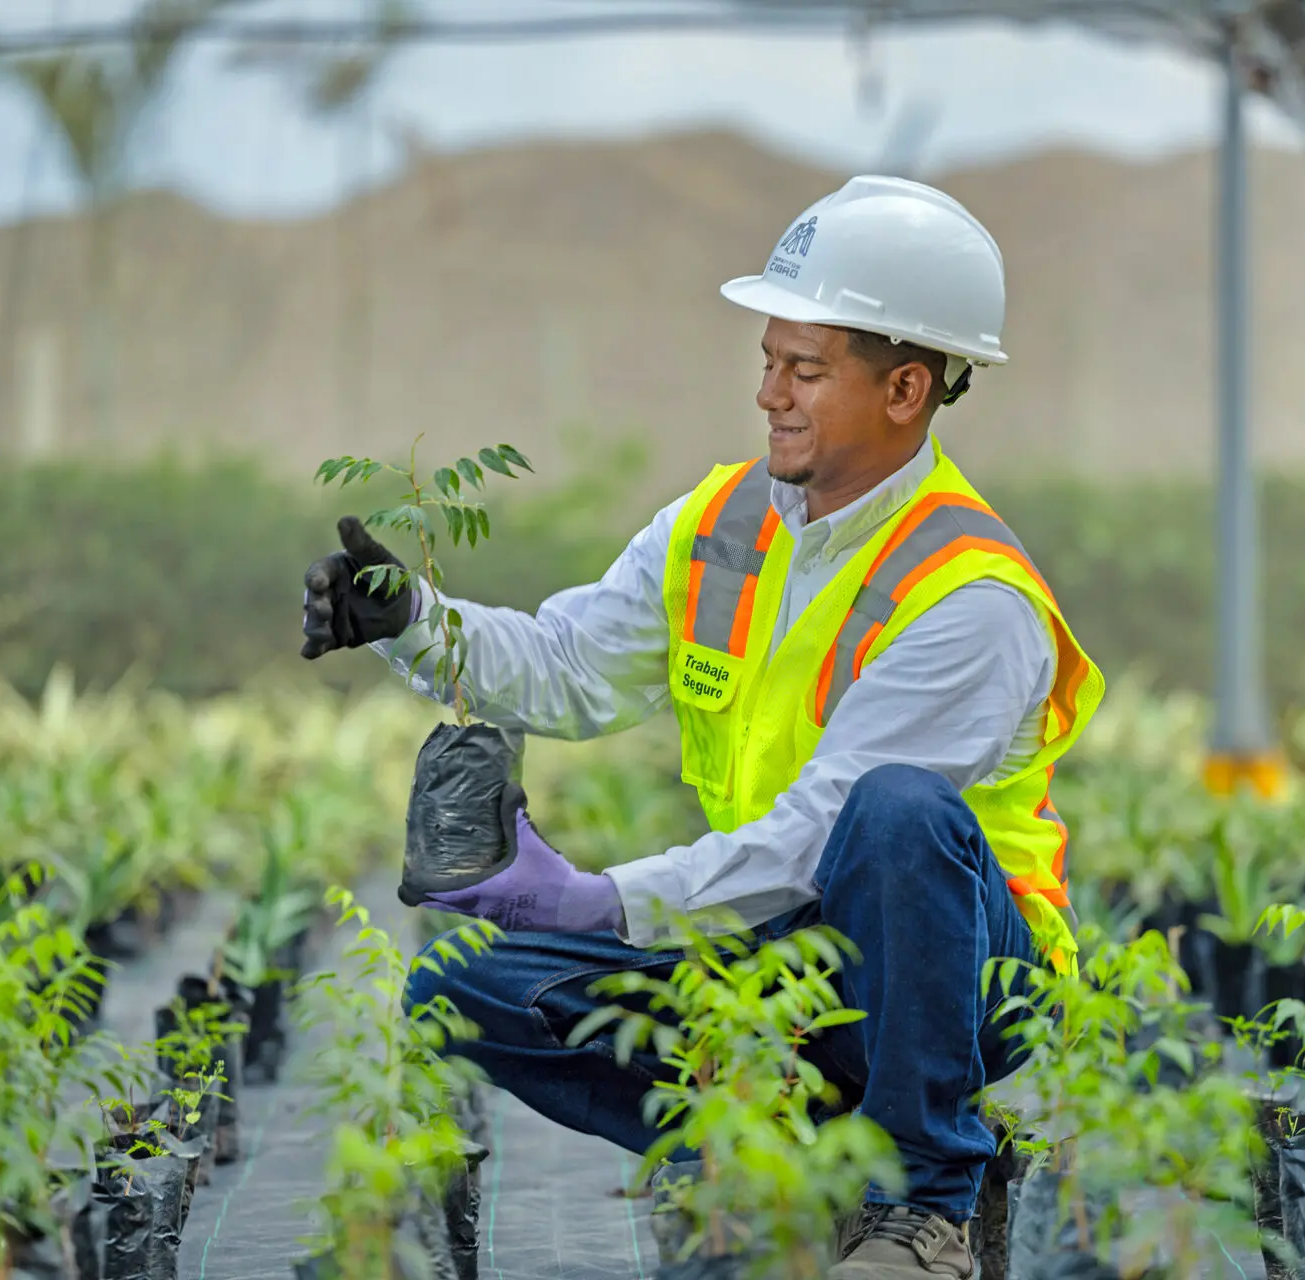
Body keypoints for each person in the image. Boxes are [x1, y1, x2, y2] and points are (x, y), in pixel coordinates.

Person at [299, 174, 1105, 1279]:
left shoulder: (973, 595)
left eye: (805, 369)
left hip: (945, 980)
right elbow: (570, 664)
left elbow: (822, 832)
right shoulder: (720, 523)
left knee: (897, 809)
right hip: (776, 952)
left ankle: (922, 1207)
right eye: (769, 358)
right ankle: (778, 1148)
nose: (769, 391)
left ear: (907, 388)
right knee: (461, 984)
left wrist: (610, 900)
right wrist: (410, 623)